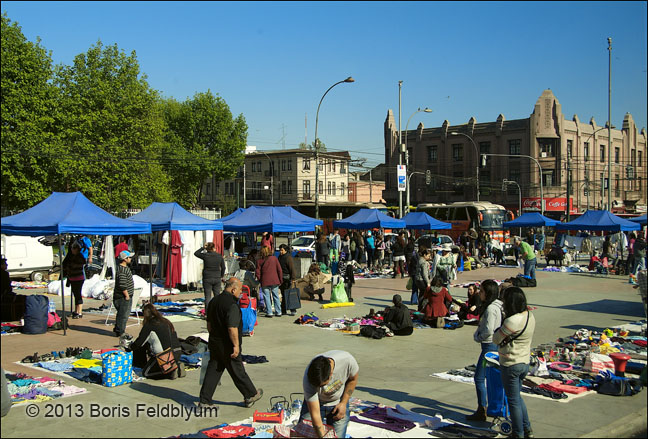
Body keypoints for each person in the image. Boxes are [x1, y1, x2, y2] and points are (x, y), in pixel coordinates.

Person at [199, 277, 263, 409]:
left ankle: (204, 400)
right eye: (240, 290)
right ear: (233, 289)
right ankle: (250, 394)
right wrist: (236, 345)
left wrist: (214, 337)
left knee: (214, 370)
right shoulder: (232, 305)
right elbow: (232, 328)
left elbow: (209, 324)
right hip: (227, 343)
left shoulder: (213, 301)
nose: (241, 293)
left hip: (215, 342)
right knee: (237, 370)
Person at [493, 287, 536, 439]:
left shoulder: (512, 321)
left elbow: (496, 339)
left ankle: (518, 433)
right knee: (517, 397)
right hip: (524, 361)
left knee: (513, 401)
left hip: (511, 363)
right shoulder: (530, 315)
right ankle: (527, 428)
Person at [466, 279, 503, 422]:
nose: (479, 293)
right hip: (494, 345)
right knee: (493, 378)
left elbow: (489, 330)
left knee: (479, 377)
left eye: (481, 291)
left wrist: (478, 336)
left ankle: (482, 408)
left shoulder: (491, 308)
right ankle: (492, 407)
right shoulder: (498, 305)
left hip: (489, 347)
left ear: (487, 293)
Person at [300, 351, 359, 439]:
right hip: (317, 402)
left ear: (331, 374)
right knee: (302, 434)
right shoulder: (309, 376)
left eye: (323, 385)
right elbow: (315, 415)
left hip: (338, 402)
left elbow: (353, 380)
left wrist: (343, 403)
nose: (322, 389)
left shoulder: (348, 361)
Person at [127, 303, 185, 379]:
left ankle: (171, 371)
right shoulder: (165, 321)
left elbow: (139, 343)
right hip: (177, 351)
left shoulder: (150, 324)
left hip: (165, 356)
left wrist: (129, 348)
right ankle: (175, 364)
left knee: (146, 373)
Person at [194, 242, 226, 310]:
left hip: (207, 278)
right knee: (217, 296)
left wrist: (203, 247)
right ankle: (217, 312)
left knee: (207, 297)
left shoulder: (205, 255)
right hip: (217, 277)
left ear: (207, 249)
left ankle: (208, 313)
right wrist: (221, 276)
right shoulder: (219, 256)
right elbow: (223, 267)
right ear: (214, 248)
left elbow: (196, 253)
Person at [113, 250, 135, 338]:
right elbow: (122, 284)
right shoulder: (122, 270)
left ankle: (118, 329)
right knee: (123, 315)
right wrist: (126, 295)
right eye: (129, 257)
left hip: (122, 296)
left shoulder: (122, 268)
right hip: (122, 297)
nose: (130, 259)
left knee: (121, 314)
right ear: (125, 259)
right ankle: (121, 331)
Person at [256, 246, 283, 317]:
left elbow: (257, 272)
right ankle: (278, 311)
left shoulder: (259, 260)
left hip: (265, 281)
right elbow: (279, 270)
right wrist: (280, 279)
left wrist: (260, 279)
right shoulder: (274, 258)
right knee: (276, 296)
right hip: (275, 280)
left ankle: (269, 312)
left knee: (266, 297)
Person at [63, 240, 87, 319]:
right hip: (73, 278)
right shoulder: (72, 256)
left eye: (73, 248)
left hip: (78, 278)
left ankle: (79, 312)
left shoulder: (79, 257)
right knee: (75, 294)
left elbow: (75, 266)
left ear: (77, 249)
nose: (72, 250)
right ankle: (76, 310)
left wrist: (68, 267)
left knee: (78, 294)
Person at [278, 244, 297, 316]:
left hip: (287, 278)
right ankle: (283, 310)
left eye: (282, 250)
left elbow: (292, 268)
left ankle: (293, 310)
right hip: (281, 278)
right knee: (283, 294)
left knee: (289, 294)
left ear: (285, 250)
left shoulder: (288, 258)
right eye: (280, 250)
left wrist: (293, 278)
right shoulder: (280, 257)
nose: (280, 251)